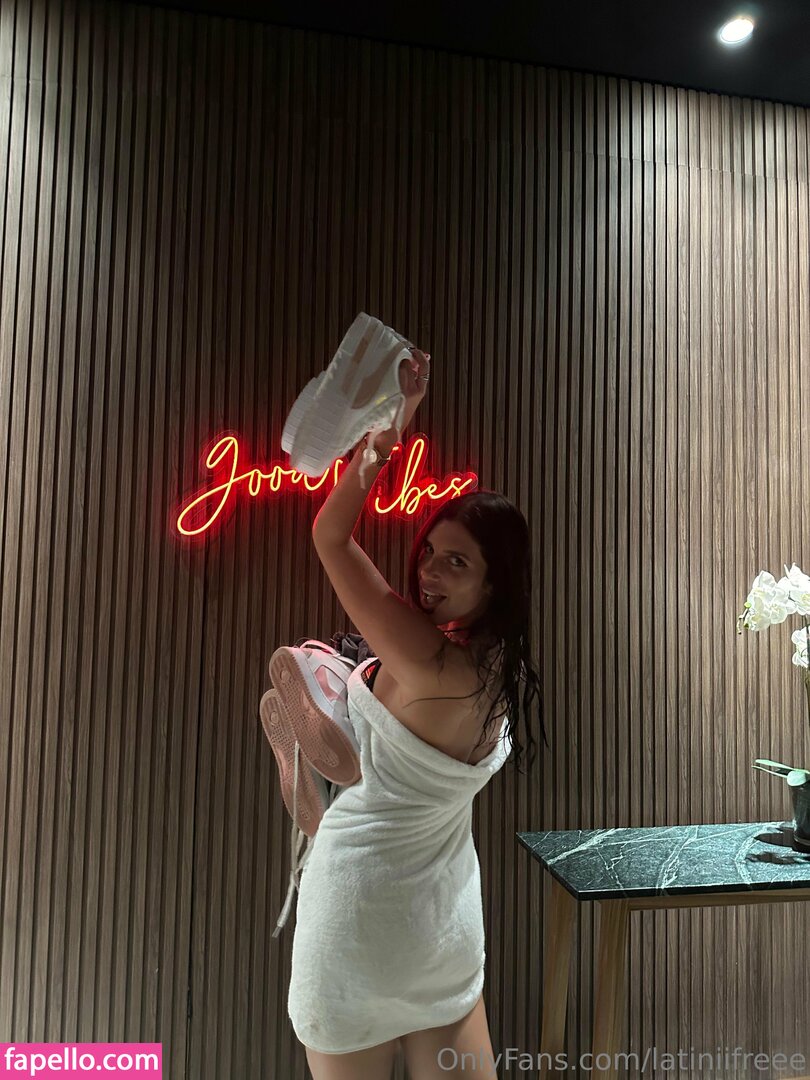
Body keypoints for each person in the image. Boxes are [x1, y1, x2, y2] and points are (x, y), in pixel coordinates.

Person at [287, 348, 547, 1079]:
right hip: (441, 925)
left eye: (456, 562)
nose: (428, 571)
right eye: (429, 551)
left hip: (355, 924)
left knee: (364, 672)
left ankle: (338, 693)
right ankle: (343, 699)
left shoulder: (431, 660)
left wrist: (387, 438)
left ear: (495, 584)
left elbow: (330, 537)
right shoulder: (498, 671)